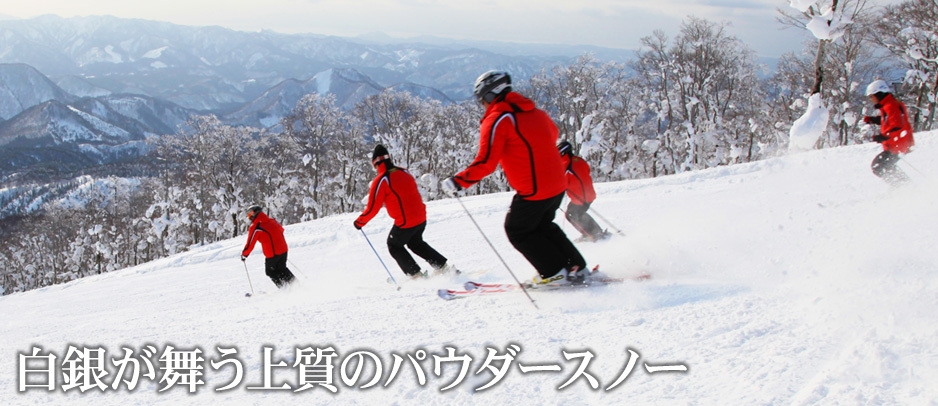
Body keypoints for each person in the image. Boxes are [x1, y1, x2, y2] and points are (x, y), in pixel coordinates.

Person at [443, 70, 588, 285]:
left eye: (482, 100)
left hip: (534, 189)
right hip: (557, 183)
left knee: (517, 230)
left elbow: (486, 162)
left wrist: (459, 181)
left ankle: (554, 272)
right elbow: (553, 134)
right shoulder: (537, 113)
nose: (482, 105)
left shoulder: (499, 119)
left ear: (491, 95)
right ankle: (575, 266)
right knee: (543, 226)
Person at [354, 144, 456, 278]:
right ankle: (443, 267)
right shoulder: (404, 171)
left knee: (394, 245)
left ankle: (416, 275)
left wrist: (360, 222)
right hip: (421, 217)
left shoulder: (382, 179)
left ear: (376, 163)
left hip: (406, 222)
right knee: (415, 243)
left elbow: (373, 207)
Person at [862, 79, 914, 186]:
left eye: (872, 96)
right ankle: (903, 185)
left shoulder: (891, 106)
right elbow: (889, 121)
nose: (871, 99)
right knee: (884, 166)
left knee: (878, 166)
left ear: (879, 94)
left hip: (897, 144)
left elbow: (896, 126)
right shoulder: (888, 105)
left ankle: (904, 186)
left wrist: (883, 137)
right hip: (897, 144)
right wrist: (874, 120)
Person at [558, 140, 608, 242]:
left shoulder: (566, 163)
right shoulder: (578, 160)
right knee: (578, 213)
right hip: (588, 195)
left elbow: (559, 181)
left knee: (572, 214)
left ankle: (594, 234)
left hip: (580, 197)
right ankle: (594, 232)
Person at [241, 205, 295, 288]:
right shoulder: (272, 221)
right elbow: (281, 230)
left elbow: (250, 243)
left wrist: (244, 254)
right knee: (282, 269)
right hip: (283, 250)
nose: (249, 217)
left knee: (270, 272)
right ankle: (297, 286)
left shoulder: (256, 227)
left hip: (272, 254)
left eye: (250, 214)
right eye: (248, 215)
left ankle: (285, 290)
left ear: (255, 213)